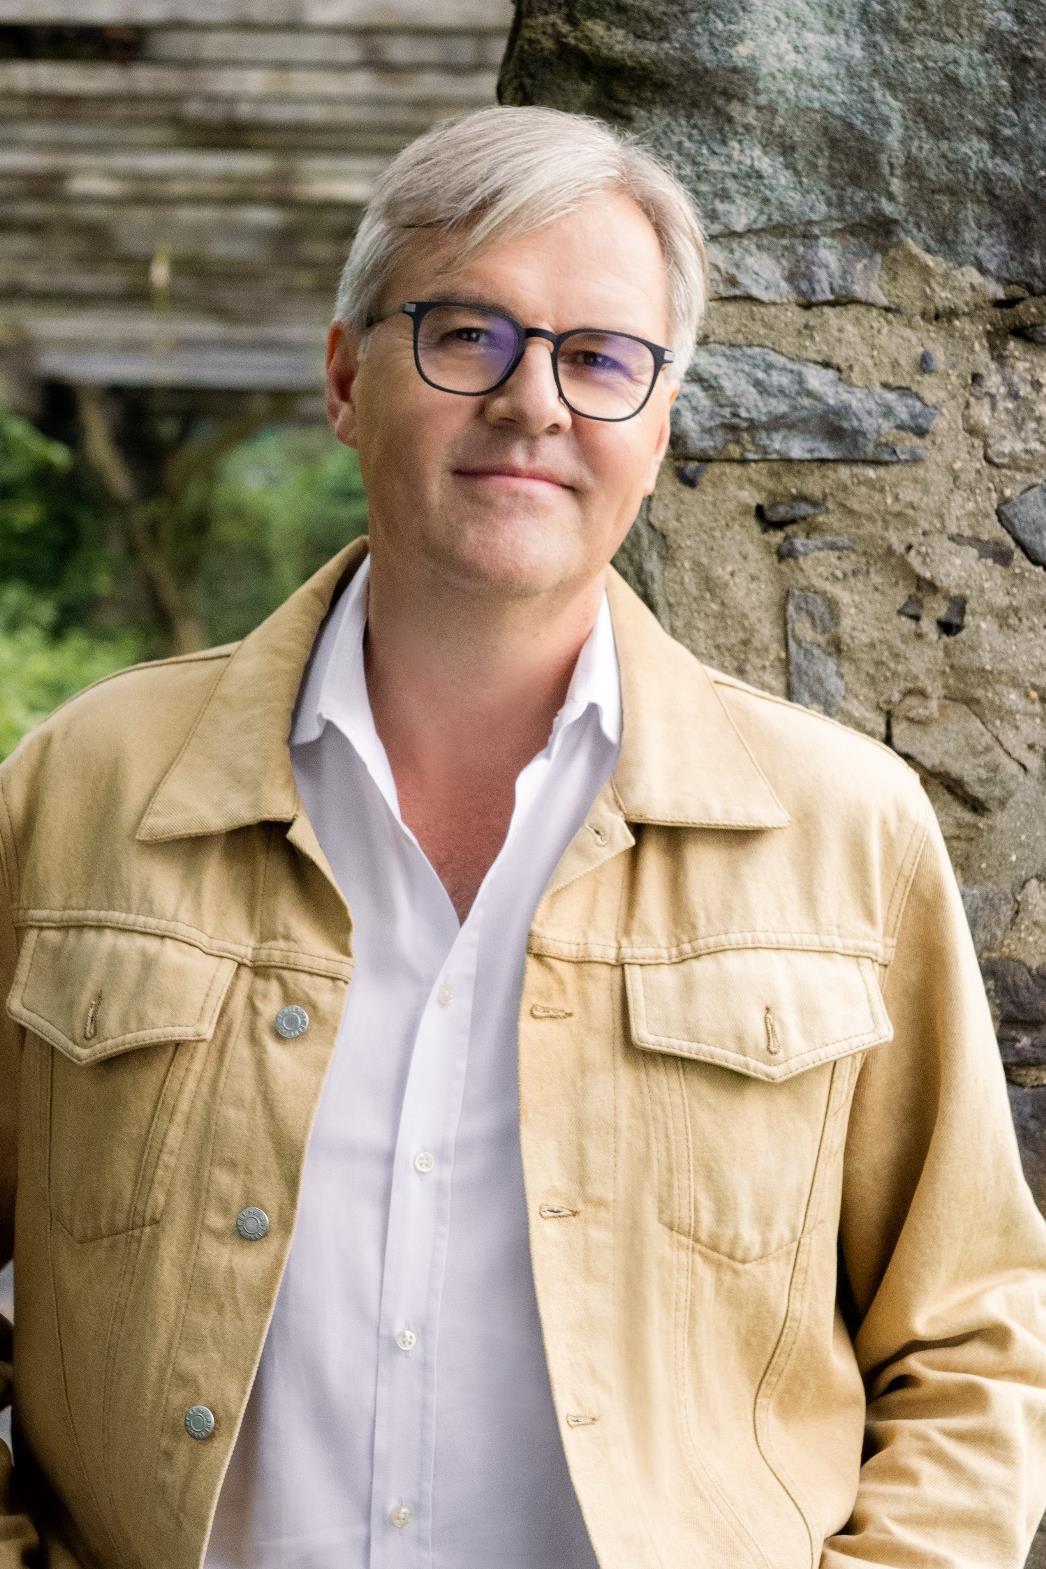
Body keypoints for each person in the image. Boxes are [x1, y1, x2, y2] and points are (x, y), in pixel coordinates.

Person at [1, 103, 1045, 1569]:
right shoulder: (80, 792)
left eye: (599, 357)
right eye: (465, 334)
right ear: (345, 376)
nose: (534, 402)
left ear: (659, 421)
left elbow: (975, 1337)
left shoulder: (840, 831)